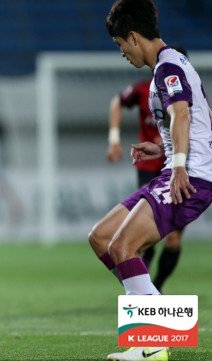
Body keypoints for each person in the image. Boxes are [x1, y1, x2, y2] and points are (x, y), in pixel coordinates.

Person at [90, 0, 212, 360]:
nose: (123, 54)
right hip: (179, 169)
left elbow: (181, 115)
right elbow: (201, 117)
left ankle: (152, 343)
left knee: (122, 247)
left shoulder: (167, 66)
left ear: (132, 36)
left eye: (120, 46)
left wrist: (177, 166)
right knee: (100, 237)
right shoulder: (173, 63)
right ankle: (159, 320)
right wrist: (162, 149)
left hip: (190, 178)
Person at [106, 45, 189, 293]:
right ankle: (146, 286)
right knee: (143, 232)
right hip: (149, 169)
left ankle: (158, 287)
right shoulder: (144, 90)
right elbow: (116, 102)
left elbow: (190, 128)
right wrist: (113, 139)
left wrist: (165, 146)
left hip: (178, 170)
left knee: (173, 239)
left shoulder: (188, 96)